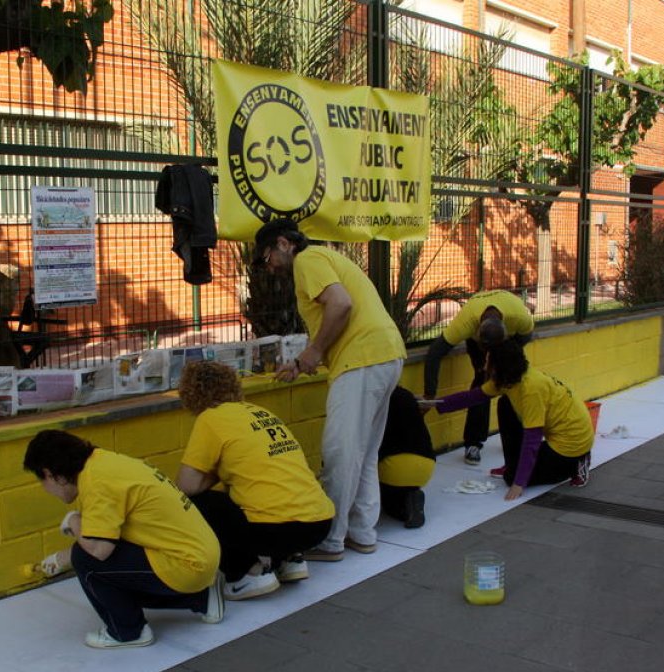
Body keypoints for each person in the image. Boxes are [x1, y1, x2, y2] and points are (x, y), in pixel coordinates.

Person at [253, 218, 406, 561]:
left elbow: (341, 305)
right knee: (363, 453)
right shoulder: (324, 258)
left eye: (267, 259)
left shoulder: (307, 259)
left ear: (282, 244)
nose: (271, 268)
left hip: (362, 360)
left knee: (339, 453)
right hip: (385, 354)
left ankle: (330, 540)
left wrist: (316, 351)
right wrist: (300, 360)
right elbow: (330, 321)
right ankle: (362, 533)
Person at [22, 430, 223, 649]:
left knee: (86, 560)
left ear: (51, 475)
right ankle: (202, 598)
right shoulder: (101, 462)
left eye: (41, 481)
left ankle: (128, 632)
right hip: (202, 554)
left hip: (188, 564)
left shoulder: (98, 483)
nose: (44, 488)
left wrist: (72, 521)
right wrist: (62, 557)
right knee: (105, 564)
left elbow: (99, 550)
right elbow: (107, 534)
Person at [175, 361, 335, 599]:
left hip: (277, 529)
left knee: (197, 504)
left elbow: (186, 486)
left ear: (190, 394)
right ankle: (290, 559)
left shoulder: (211, 418)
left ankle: (246, 574)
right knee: (248, 494)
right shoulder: (260, 412)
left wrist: (219, 472)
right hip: (320, 523)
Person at [429, 340, 593, 500]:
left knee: (511, 477)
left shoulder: (531, 389)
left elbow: (532, 440)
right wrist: (432, 404)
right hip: (556, 436)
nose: (485, 366)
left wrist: (519, 483)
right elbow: (473, 396)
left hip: (572, 444)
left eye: (488, 362)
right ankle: (513, 465)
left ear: (500, 366)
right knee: (505, 404)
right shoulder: (507, 380)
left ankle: (578, 463)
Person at [423, 289, 534, 465]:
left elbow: (527, 336)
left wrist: (506, 364)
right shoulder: (466, 322)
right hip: (482, 340)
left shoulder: (518, 316)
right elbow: (435, 353)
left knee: (512, 383)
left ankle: (515, 438)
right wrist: (430, 394)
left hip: (510, 341)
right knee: (481, 384)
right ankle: (473, 443)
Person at [378, 386, 437, 528]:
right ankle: (412, 493)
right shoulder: (406, 395)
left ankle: (403, 510)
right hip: (426, 465)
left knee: (389, 507)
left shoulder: (378, 399)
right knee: (404, 485)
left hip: (393, 468)